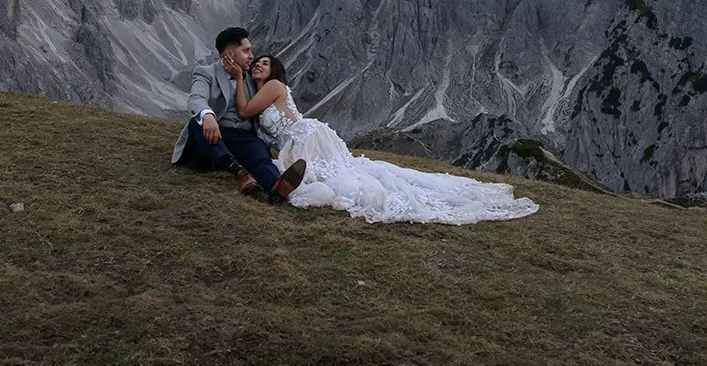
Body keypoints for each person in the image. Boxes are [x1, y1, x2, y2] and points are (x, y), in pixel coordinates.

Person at [233, 54, 540, 225]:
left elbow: (245, 110)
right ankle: (287, 185)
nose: (259, 64)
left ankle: (289, 186)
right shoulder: (266, 89)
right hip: (300, 140)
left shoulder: (273, 86)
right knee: (339, 177)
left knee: (342, 182)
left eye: (266, 62)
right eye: (256, 62)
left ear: (275, 71)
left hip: (306, 136)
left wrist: (237, 79)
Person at [170, 27, 307, 203]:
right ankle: (241, 174)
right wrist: (208, 115)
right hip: (215, 136)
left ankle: (277, 187)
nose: (252, 56)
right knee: (196, 123)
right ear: (229, 53)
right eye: (246, 50)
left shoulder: (250, 78)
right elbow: (196, 98)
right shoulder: (206, 73)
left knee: (258, 152)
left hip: (243, 137)